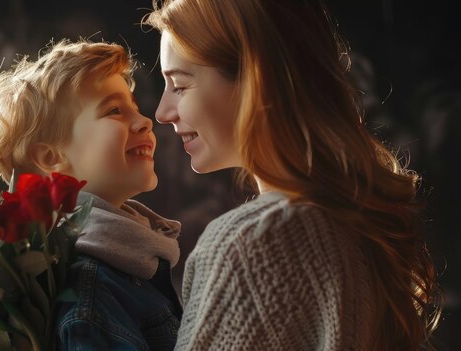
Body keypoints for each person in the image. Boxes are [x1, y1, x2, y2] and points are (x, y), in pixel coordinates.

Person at [144, 0, 441, 350]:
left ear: (255, 80)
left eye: (179, 84)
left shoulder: (249, 245)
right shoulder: (357, 225)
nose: (162, 113)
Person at [0, 40, 182, 351]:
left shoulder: (126, 258)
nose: (144, 121)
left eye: (134, 107)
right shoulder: (91, 290)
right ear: (49, 157)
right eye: (114, 110)